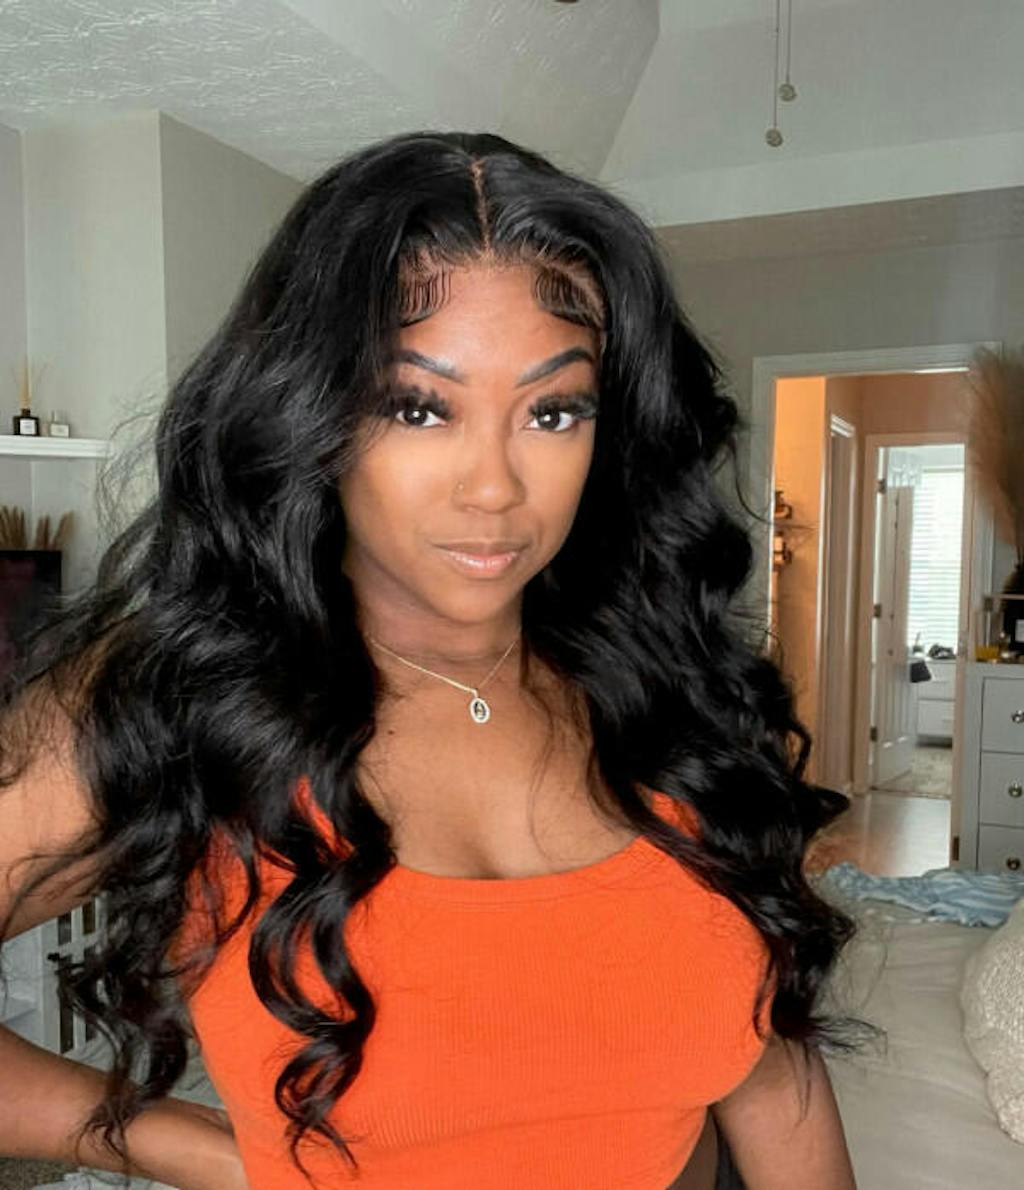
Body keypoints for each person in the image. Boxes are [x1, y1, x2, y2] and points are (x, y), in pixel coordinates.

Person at [0, 130, 872, 1189]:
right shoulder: (181, 701)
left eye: (552, 410)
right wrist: (185, 1145)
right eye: (419, 406)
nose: (494, 487)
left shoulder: (675, 690)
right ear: (312, 412)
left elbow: (773, 1066)